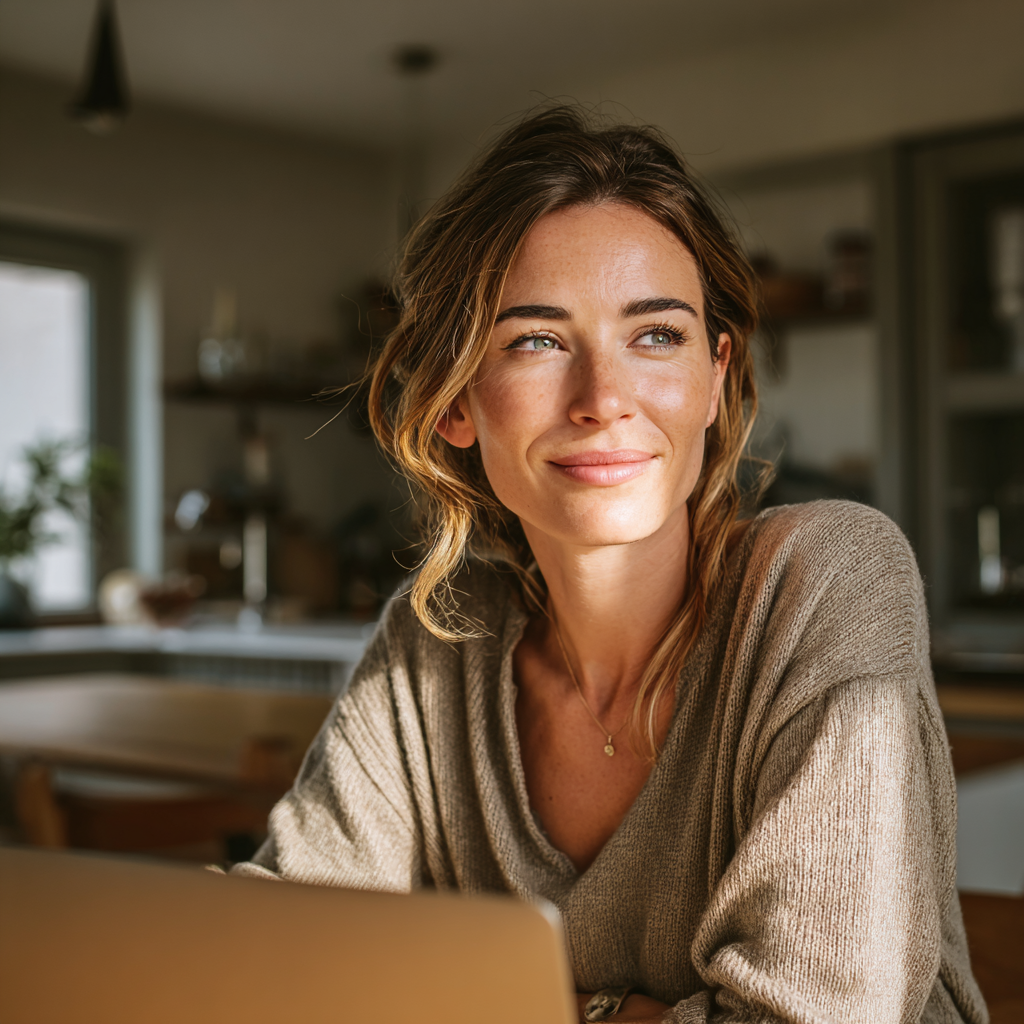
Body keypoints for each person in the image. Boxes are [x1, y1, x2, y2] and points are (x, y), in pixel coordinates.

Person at [234, 107, 986, 1024]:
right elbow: (284, 960)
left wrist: (507, 1002)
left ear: (715, 379)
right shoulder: (437, 639)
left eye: (656, 335)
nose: (603, 400)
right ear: (454, 403)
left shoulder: (829, 577)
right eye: (537, 341)